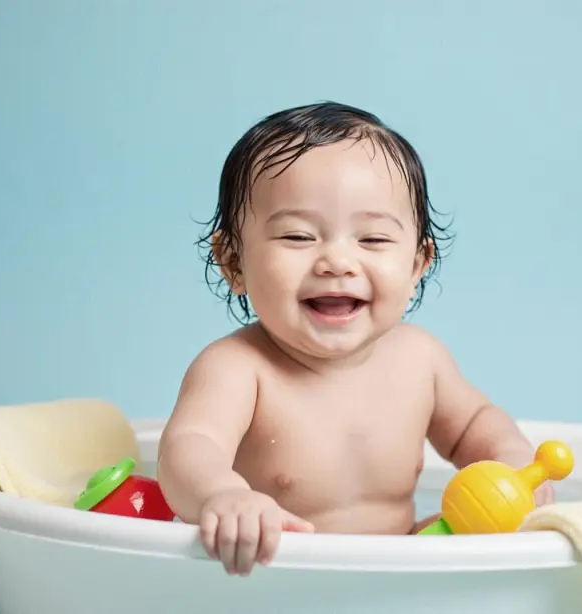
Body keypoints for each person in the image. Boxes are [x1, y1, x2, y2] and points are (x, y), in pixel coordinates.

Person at [156, 101, 552, 577]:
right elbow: (188, 447)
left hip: (398, 578)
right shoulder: (238, 368)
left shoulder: (420, 361)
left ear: (416, 265)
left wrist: (512, 462)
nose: (337, 262)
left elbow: (474, 426)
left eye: (373, 240)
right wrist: (224, 494)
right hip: (278, 581)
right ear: (234, 262)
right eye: (299, 237)